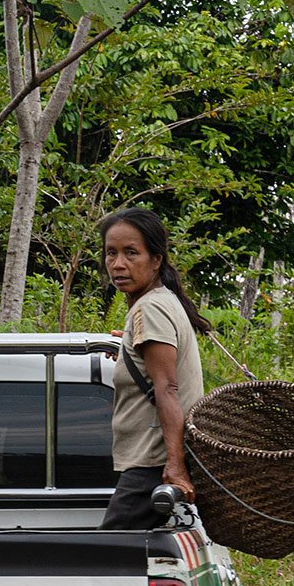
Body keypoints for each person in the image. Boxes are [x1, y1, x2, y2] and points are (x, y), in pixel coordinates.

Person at [99, 207, 205, 531]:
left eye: (132, 253)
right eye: (111, 253)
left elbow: (167, 388)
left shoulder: (151, 308)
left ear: (156, 259)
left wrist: (174, 466)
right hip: (152, 462)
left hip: (151, 464)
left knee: (104, 565)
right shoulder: (159, 301)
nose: (118, 264)